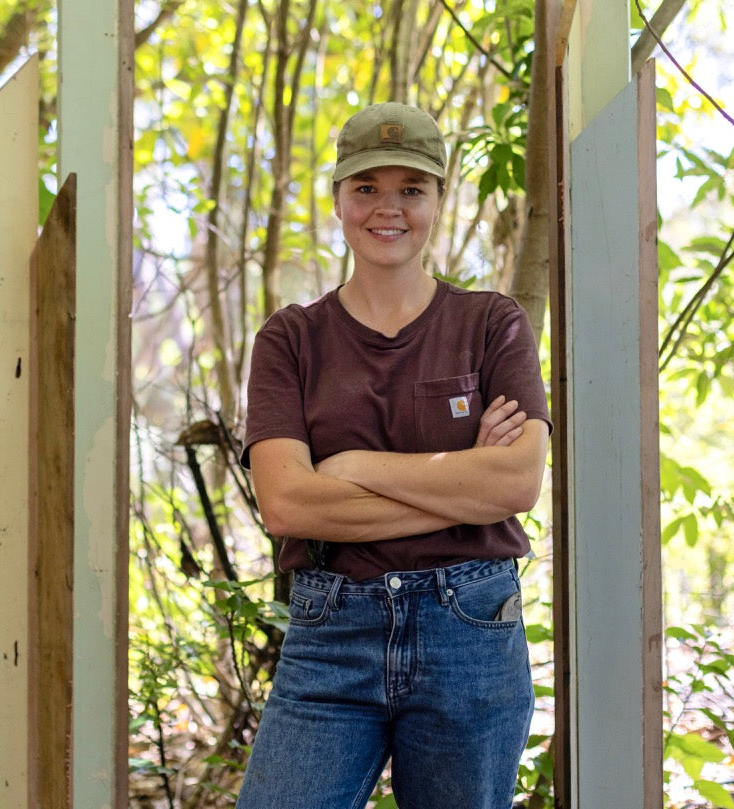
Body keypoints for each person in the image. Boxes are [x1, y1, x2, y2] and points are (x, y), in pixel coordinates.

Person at [235, 101, 551, 809]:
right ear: (339, 199)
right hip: (329, 633)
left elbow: (517, 482)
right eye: (366, 187)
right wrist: (457, 483)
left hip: (467, 629)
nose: (388, 208)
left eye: (411, 188)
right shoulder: (290, 340)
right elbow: (287, 502)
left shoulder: (490, 325)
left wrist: (350, 467)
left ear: (440, 197)